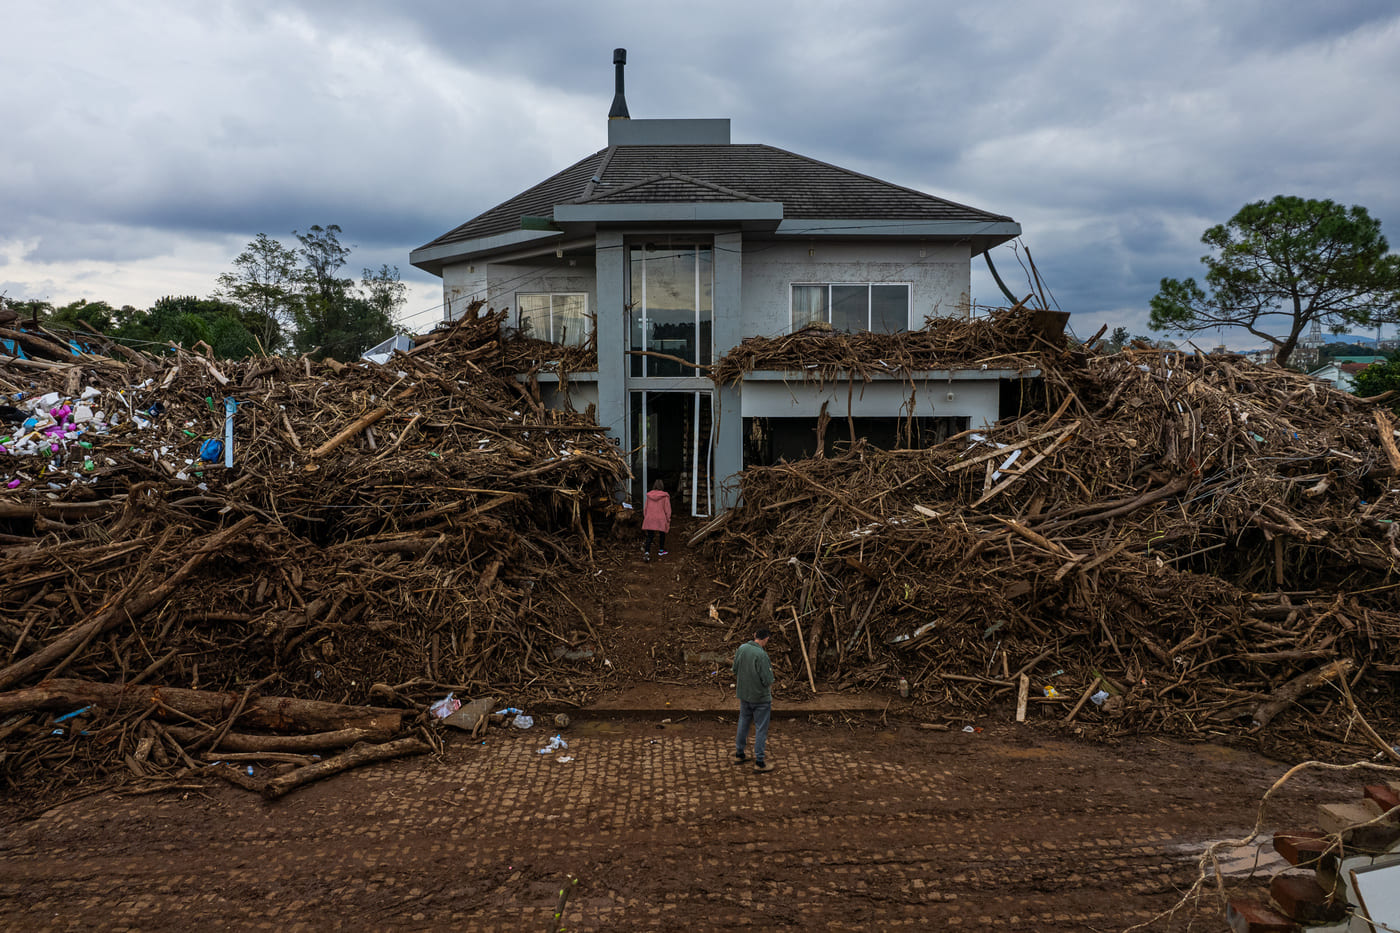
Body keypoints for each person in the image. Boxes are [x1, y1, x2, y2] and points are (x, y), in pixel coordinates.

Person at [733, 627, 774, 773]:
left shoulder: (742, 648)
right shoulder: (761, 655)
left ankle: (739, 754)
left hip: (744, 694)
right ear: (766, 639)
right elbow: (768, 679)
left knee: (743, 722)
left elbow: (735, 669)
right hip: (760, 698)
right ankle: (760, 761)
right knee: (761, 728)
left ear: (754, 635)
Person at [641, 478, 672, 562]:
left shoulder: (649, 496)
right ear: (662, 486)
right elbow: (667, 510)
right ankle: (661, 550)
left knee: (650, 536)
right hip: (661, 518)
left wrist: (646, 517)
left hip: (650, 518)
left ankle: (647, 552)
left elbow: (645, 508)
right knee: (662, 534)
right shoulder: (665, 496)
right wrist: (668, 519)